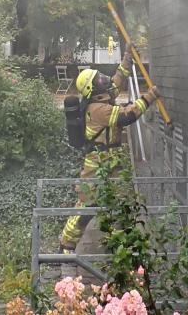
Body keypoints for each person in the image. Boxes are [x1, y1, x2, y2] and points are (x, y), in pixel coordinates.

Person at [59, 53, 159, 252]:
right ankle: (66, 245)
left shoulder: (102, 95)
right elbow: (126, 116)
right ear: (92, 87)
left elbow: (117, 80)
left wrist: (128, 58)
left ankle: (124, 245)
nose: (104, 79)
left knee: (123, 201)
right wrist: (149, 97)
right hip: (96, 162)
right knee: (87, 206)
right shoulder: (97, 109)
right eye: (99, 79)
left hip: (113, 161)